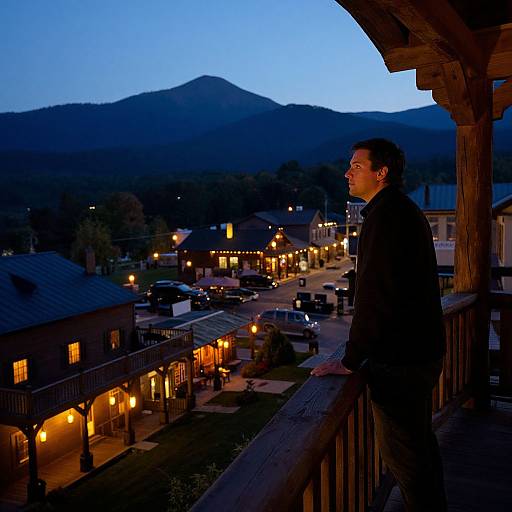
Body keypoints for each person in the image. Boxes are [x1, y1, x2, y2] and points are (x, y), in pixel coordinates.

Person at [312, 138, 447, 511]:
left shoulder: (385, 218)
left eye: (356, 166)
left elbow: (373, 294)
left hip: (400, 361)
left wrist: (350, 360)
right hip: (422, 352)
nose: (347, 173)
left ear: (380, 172)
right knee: (420, 446)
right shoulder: (401, 211)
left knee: (405, 458)